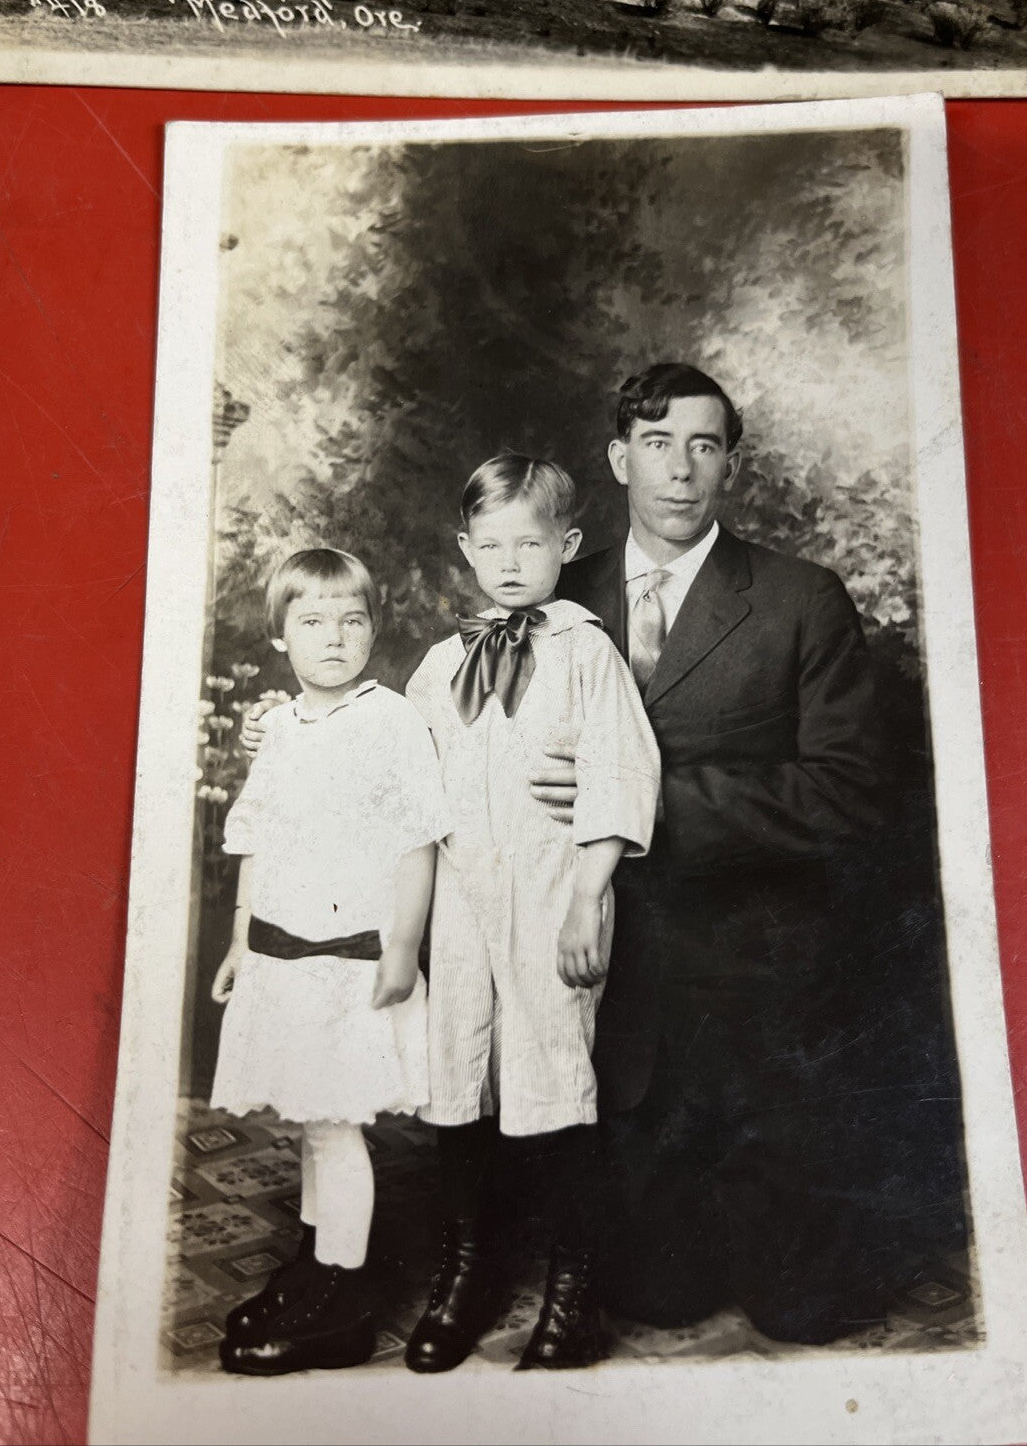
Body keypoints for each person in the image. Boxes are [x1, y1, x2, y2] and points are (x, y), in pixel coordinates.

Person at [532, 363, 887, 1345]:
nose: (679, 471)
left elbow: (848, 794)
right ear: (616, 459)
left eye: (702, 445)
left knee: (803, 1314)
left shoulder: (800, 599)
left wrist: (646, 805)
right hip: (615, 983)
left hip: (762, 985)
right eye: (656, 444)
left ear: (730, 463)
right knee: (652, 1297)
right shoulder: (555, 598)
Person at [402, 453, 661, 1373]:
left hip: (553, 895)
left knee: (554, 1078)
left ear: (568, 545)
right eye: (493, 544)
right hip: (460, 904)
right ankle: (464, 1280)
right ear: (466, 550)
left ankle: (572, 1292)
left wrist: (591, 896)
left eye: (532, 542)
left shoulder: (586, 651)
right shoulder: (441, 665)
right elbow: (407, 793)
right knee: (459, 1075)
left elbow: (624, 774)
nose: (511, 562)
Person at [210, 547, 449, 1376]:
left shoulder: (388, 721)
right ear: (279, 636)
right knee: (312, 1121)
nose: (334, 637)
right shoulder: (278, 724)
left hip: (352, 961)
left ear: (375, 628)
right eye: (311, 622)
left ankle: (344, 1296)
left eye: (352, 620)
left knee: (337, 1124)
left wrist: (405, 947)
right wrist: (242, 940)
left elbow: (418, 842)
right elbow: (260, 840)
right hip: (284, 953)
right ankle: (317, 1263)